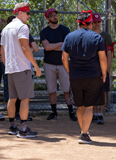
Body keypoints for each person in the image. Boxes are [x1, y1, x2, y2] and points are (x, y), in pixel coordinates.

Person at [62, 10, 107, 144]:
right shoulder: (97, 37)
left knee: (80, 106)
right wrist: (104, 73)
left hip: (75, 75)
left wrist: (69, 71)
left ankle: (83, 131)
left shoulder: (69, 36)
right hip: (93, 75)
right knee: (89, 107)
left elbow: (64, 57)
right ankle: (84, 134)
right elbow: (103, 58)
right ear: (91, 23)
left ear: (79, 23)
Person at [1, 2, 41, 138]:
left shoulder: (6, 28)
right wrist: (35, 65)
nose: (29, 16)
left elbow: (2, 50)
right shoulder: (22, 27)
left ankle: (12, 127)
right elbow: (25, 47)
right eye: (28, 13)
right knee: (24, 99)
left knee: (12, 98)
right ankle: (23, 129)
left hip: (10, 68)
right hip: (22, 67)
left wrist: (7, 65)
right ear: (20, 13)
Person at [40, 8, 77, 121]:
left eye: (56, 15)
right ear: (48, 18)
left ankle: (71, 112)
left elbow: (67, 47)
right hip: (49, 64)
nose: (55, 17)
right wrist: (61, 44)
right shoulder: (44, 31)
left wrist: (53, 46)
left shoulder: (65, 29)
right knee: (52, 90)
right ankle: (54, 112)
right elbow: (46, 47)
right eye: (52, 16)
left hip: (63, 63)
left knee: (66, 89)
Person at [92, 13, 112, 124]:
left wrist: (107, 69)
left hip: (103, 68)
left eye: (98, 22)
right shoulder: (89, 34)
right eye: (95, 22)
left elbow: (109, 53)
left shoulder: (106, 36)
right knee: (94, 92)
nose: (97, 24)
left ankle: (101, 114)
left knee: (103, 91)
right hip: (92, 69)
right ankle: (95, 113)